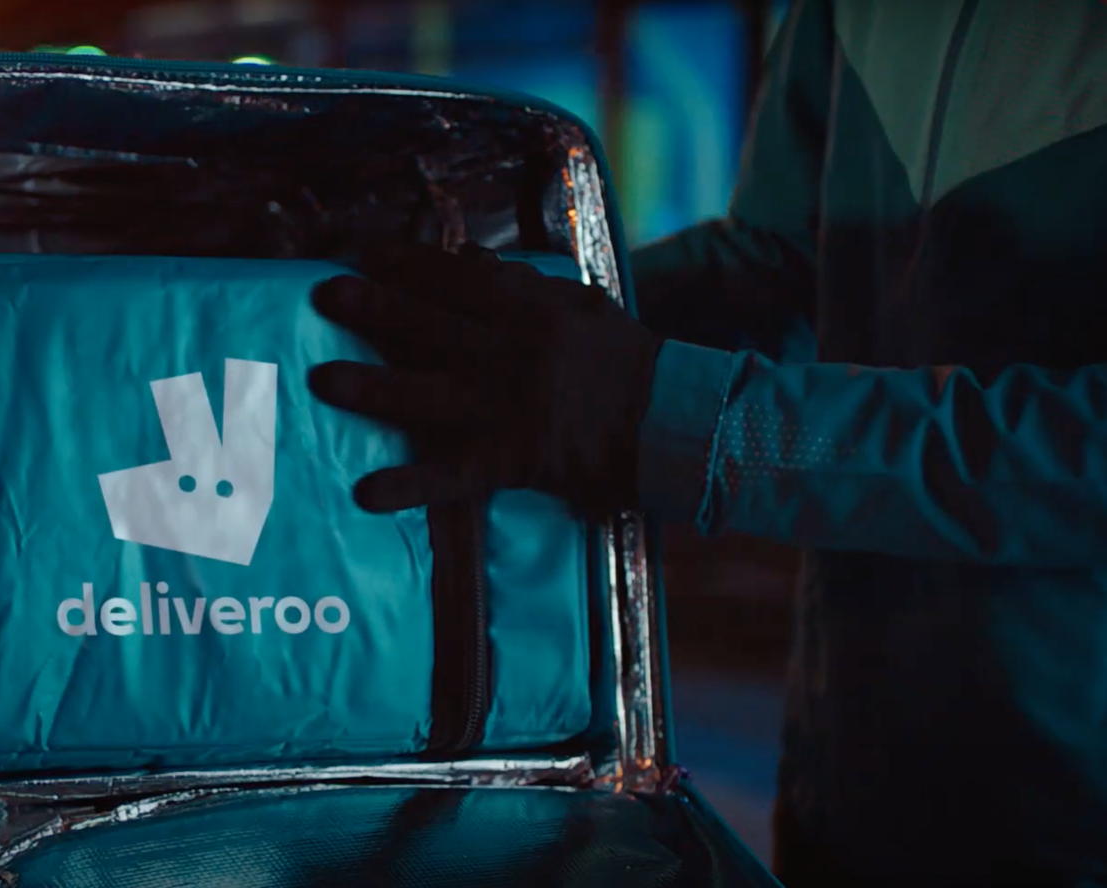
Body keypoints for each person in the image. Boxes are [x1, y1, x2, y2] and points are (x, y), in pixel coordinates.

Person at [307, 2, 1107, 885]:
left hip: (1072, 796)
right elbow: (779, 264)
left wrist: (683, 417)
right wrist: (481, 307)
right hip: (853, 764)